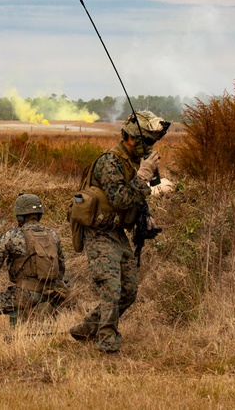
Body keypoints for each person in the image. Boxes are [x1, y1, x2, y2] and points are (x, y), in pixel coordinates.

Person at [67, 110, 170, 354]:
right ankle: (107, 343)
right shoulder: (110, 161)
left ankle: (88, 327)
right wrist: (143, 175)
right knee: (111, 289)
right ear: (130, 138)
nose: (148, 147)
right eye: (145, 141)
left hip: (116, 232)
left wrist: (145, 217)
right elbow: (119, 198)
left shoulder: (135, 162)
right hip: (98, 231)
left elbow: (135, 200)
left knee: (129, 291)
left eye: (152, 142)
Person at [0, 193, 69, 319]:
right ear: (39, 215)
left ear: (20, 217)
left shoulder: (12, 236)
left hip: (25, 294)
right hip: (52, 293)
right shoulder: (53, 235)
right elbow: (61, 267)